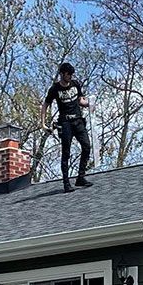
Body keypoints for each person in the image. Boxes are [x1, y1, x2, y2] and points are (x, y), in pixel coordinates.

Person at [42, 61, 94, 191]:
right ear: (62, 74)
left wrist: (90, 103)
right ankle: (66, 183)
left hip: (78, 121)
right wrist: (43, 123)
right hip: (65, 123)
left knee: (87, 146)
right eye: (68, 74)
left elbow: (80, 100)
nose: (70, 76)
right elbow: (45, 104)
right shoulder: (55, 89)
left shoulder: (76, 84)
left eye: (71, 74)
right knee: (66, 152)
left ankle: (80, 177)